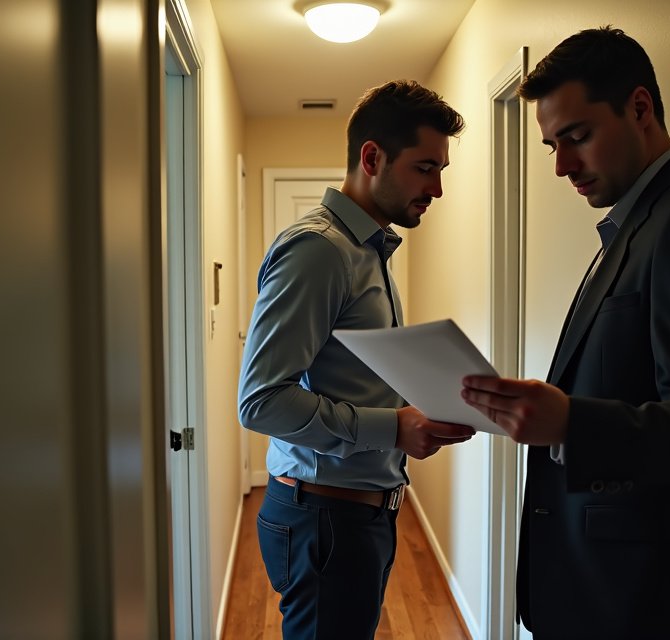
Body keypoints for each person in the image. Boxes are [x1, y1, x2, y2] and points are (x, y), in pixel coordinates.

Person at [461, 27, 670, 638]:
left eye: (576, 137)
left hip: (651, 603)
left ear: (639, 108)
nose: (561, 167)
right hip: (597, 590)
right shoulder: (635, 226)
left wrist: (572, 424)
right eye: (552, 145)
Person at [238, 79, 473, 639]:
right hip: (325, 519)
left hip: (353, 514)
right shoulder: (320, 249)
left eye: (441, 170)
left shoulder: (368, 249)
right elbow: (261, 401)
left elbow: (347, 373)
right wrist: (393, 428)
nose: (437, 188)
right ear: (373, 157)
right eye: (424, 167)